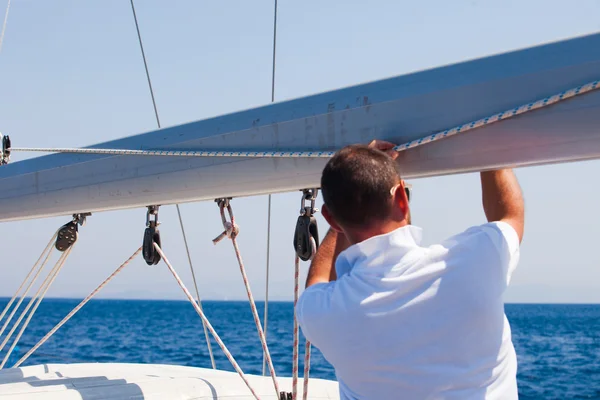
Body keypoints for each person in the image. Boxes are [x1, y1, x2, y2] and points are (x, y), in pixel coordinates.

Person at [295, 140, 524, 399]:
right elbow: (510, 216)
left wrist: (342, 213)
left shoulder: (323, 313)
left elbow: (318, 279)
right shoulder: (477, 260)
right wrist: (489, 141)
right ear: (402, 198)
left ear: (330, 219)